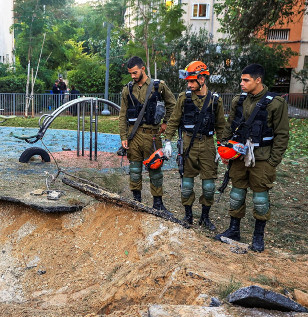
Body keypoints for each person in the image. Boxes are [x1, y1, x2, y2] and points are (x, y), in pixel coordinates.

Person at [214, 64, 289, 252]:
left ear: (258, 80)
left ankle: (258, 236)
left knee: (260, 198)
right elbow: (230, 125)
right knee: (236, 194)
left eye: (245, 80)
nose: (241, 83)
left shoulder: (275, 103)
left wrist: (273, 162)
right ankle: (234, 230)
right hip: (238, 156)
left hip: (262, 158)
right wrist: (223, 147)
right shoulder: (239, 101)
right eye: (241, 79)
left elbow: (282, 135)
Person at [163, 61, 226, 230]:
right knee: (187, 184)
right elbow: (174, 120)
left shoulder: (215, 100)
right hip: (188, 143)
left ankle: (205, 217)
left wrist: (221, 146)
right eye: (188, 82)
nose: (189, 85)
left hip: (207, 145)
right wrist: (167, 140)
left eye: (192, 81)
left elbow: (221, 125)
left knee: (209, 186)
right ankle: (188, 215)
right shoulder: (184, 98)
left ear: (202, 79)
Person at [119, 56, 176, 211]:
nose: (133, 76)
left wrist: (166, 122)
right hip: (133, 135)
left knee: (155, 169)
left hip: (152, 135)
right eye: (130, 73)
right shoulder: (127, 90)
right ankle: (137, 202)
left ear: (143, 69)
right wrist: (123, 137)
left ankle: (158, 203)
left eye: (135, 72)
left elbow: (173, 105)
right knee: (135, 170)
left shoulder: (159, 86)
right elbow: (123, 115)